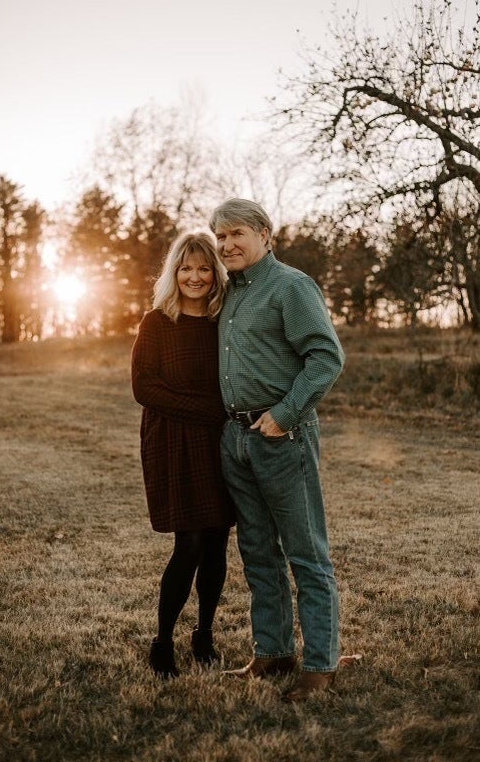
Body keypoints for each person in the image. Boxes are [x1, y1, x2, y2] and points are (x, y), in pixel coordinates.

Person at [209, 198, 345, 702]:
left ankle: (320, 664)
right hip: (236, 439)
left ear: (266, 234)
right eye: (220, 237)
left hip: (282, 436)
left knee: (306, 554)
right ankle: (272, 652)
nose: (227, 245)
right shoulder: (229, 293)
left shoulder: (291, 286)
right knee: (258, 552)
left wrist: (284, 415)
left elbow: (326, 358)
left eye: (237, 234)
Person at [131, 230, 235, 679]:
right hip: (172, 440)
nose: (195, 276)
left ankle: (204, 635)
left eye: (204, 268)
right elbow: (145, 388)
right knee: (188, 541)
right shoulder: (156, 322)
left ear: (216, 274)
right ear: (175, 272)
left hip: (217, 445)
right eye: (187, 268)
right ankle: (162, 642)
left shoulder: (224, 322)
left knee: (216, 542)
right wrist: (210, 410)